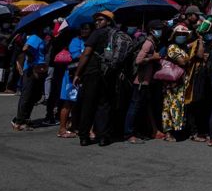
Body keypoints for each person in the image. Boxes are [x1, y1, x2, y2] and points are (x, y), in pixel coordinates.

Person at [74, 11, 125, 146]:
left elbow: (86, 54)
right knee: (104, 105)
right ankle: (103, 137)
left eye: (101, 20)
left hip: (93, 72)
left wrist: (78, 73)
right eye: (96, 20)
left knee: (88, 105)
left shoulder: (96, 33)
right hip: (109, 74)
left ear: (108, 21)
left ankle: (84, 136)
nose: (97, 22)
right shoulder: (117, 34)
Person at [124, 20, 164, 143]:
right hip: (140, 81)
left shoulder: (153, 42)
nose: (160, 31)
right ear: (151, 30)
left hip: (145, 80)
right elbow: (139, 60)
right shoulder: (148, 43)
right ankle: (129, 134)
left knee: (140, 107)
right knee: (134, 107)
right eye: (158, 29)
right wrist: (153, 57)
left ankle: (136, 131)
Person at [10, 25, 48, 130]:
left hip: (39, 69)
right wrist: (31, 56)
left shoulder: (42, 39)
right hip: (32, 69)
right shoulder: (35, 37)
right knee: (27, 95)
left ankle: (25, 119)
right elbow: (25, 48)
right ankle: (19, 122)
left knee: (35, 95)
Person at [58, 23, 91, 138]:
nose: (84, 31)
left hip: (84, 76)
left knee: (79, 103)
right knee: (69, 102)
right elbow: (77, 55)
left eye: (86, 28)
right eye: (82, 28)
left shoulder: (90, 41)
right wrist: (88, 53)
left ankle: (74, 126)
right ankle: (62, 129)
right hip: (72, 76)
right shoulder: (75, 41)